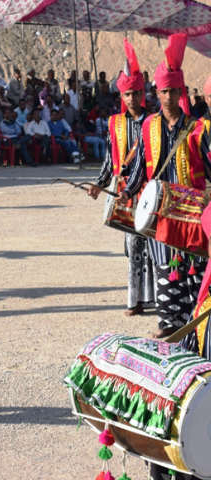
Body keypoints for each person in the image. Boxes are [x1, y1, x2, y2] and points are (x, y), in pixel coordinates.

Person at [119, 33, 211, 345]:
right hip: (160, 212)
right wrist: (127, 191)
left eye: (174, 91)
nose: (169, 96)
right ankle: (169, 323)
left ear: (181, 91)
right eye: (163, 91)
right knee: (164, 268)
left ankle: (195, 329)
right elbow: (137, 164)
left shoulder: (199, 130)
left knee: (195, 271)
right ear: (156, 93)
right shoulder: (148, 128)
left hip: (192, 213)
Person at [87, 39, 155, 317]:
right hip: (125, 189)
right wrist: (100, 184)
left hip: (149, 189)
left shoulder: (155, 121)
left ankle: (151, 299)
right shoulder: (114, 124)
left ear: (143, 94)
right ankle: (134, 300)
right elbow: (108, 159)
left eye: (136, 93)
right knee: (131, 246)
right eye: (127, 94)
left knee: (151, 245)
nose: (132, 99)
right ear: (121, 97)